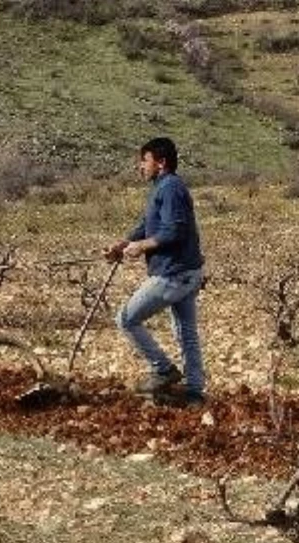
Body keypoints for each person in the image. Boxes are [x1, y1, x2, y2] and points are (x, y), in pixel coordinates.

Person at [104, 137, 206, 406]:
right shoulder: (163, 188)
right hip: (187, 272)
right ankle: (195, 393)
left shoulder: (170, 187)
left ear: (160, 163)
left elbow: (175, 229)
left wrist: (141, 246)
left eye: (144, 160)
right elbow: (147, 225)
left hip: (173, 274)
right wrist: (123, 244)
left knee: (126, 319)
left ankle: (163, 370)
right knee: (186, 333)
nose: (140, 166)